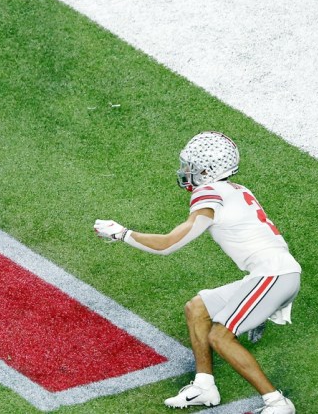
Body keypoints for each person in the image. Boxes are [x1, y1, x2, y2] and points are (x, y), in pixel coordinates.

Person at [93, 131, 301, 413]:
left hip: (272, 276)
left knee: (219, 336)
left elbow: (167, 245)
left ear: (209, 170)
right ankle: (204, 386)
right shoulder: (238, 190)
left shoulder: (209, 193)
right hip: (272, 274)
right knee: (197, 308)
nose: (186, 171)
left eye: (193, 166)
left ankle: (277, 402)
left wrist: (122, 234)